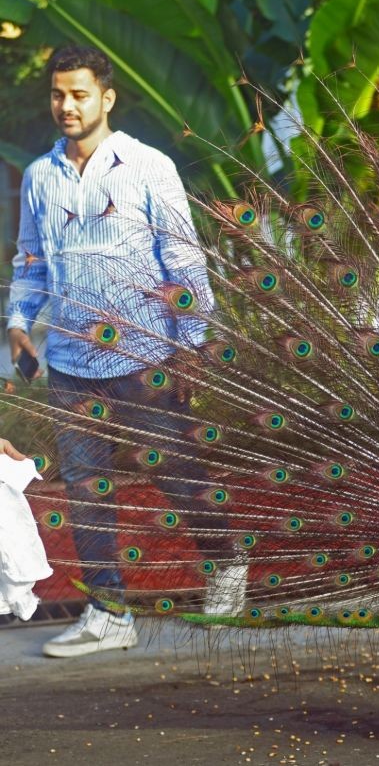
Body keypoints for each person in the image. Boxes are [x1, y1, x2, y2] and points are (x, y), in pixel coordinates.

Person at [5, 45, 247, 657]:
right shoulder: (39, 176)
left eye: (79, 94)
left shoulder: (148, 166)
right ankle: (109, 612)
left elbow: (183, 259)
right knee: (85, 487)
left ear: (106, 98)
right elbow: (30, 260)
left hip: (145, 355)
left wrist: (190, 345)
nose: (66, 105)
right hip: (69, 361)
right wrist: (19, 324)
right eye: (58, 94)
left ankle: (227, 562)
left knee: (176, 471)